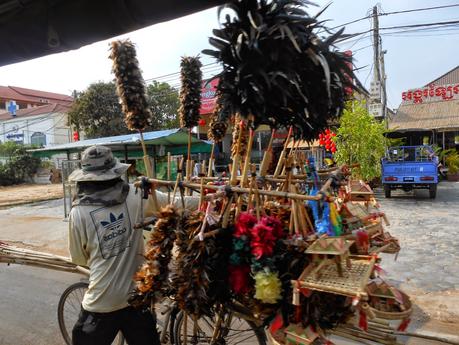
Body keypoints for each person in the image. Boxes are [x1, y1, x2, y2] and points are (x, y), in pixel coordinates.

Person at [68, 145, 198, 345]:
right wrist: (211, 199)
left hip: (102, 303)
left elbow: (78, 258)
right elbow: (178, 202)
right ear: (115, 172)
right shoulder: (136, 196)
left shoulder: (78, 212)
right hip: (136, 299)